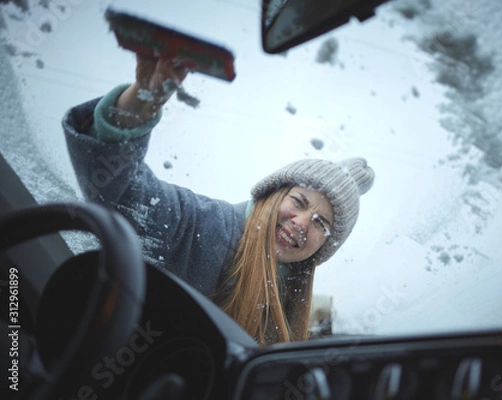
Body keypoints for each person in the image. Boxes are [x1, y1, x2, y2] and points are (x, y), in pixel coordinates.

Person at [62, 57, 374, 345]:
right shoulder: (202, 226)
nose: (302, 223)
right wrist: (146, 95)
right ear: (272, 193)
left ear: (327, 245)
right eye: (299, 202)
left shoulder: (310, 315)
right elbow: (119, 190)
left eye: (321, 223)